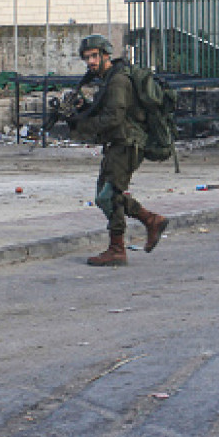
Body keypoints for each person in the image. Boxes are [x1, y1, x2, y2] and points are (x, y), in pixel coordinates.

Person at [73, 35, 168, 266]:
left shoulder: (118, 81)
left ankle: (129, 238)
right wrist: (83, 109)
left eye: (95, 56)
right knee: (104, 197)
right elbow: (106, 112)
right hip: (117, 143)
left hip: (127, 143)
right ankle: (140, 227)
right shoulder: (108, 79)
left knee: (109, 196)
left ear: (106, 55)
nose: (91, 62)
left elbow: (113, 117)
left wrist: (83, 126)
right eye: (87, 58)